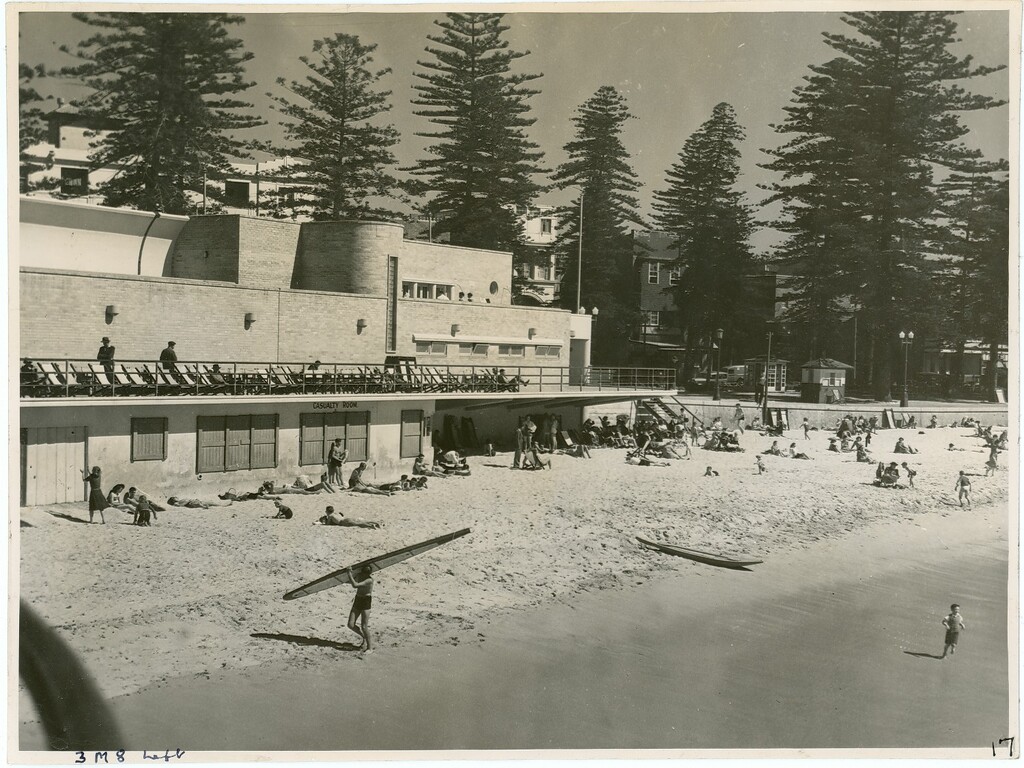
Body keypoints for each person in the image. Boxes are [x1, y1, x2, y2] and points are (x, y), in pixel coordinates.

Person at [347, 567, 375, 653]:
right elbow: (350, 581)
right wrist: (350, 574)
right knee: (350, 624)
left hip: (366, 601)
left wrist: (349, 573)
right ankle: (364, 637)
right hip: (358, 599)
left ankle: (370, 648)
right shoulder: (359, 576)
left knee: (364, 626)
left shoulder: (369, 580)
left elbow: (355, 585)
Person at [317, 506, 383, 528]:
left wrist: (322, 524)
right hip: (346, 518)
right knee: (362, 521)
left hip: (343, 522)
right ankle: (376, 522)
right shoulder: (336, 513)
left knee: (358, 524)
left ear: (327, 511)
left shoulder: (330, 516)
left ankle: (370, 526)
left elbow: (328, 524)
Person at [166, 496, 234, 509]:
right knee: (213, 504)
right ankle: (226, 505)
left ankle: (226, 504)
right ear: (174, 499)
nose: (176, 497)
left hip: (196, 502)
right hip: (194, 502)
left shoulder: (179, 502)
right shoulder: (180, 502)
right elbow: (187, 502)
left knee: (213, 503)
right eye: (175, 497)